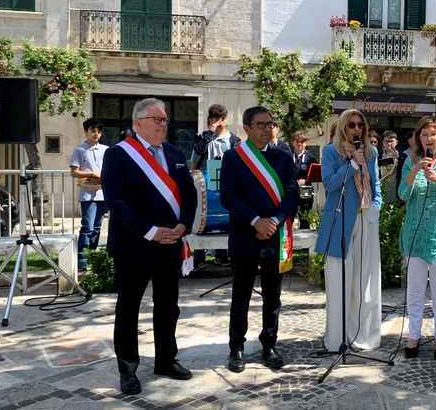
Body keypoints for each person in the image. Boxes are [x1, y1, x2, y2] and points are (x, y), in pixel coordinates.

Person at [101, 98, 198, 396]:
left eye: (166, 120)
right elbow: (116, 200)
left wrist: (184, 224)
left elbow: (188, 192)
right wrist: (151, 231)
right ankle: (128, 369)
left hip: (170, 244)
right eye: (157, 120)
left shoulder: (173, 152)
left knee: (169, 307)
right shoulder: (119, 155)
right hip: (134, 246)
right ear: (138, 123)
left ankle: (166, 360)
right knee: (129, 309)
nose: (164, 124)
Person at [220, 106, 300, 372]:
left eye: (271, 124)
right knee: (241, 294)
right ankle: (236, 348)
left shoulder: (282, 156)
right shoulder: (233, 157)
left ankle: (269, 344)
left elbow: (292, 194)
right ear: (247, 128)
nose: (268, 128)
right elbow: (228, 197)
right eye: (261, 124)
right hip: (245, 234)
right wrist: (257, 221)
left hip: (274, 236)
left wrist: (274, 221)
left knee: (272, 295)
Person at [313, 109, 383, 353]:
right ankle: (337, 339)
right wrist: (353, 164)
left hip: (366, 221)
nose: (357, 129)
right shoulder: (330, 152)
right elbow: (330, 184)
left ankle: (363, 336)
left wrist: (376, 205)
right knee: (339, 282)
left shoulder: (371, 152)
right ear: (343, 126)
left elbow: (376, 184)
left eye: (360, 125)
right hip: (340, 222)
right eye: (352, 125)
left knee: (366, 284)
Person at [398, 116, 436, 361]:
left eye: (433, 134)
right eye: (424, 134)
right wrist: (415, 170)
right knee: (414, 288)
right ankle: (414, 335)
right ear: (418, 137)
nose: (428, 138)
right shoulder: (410, 160)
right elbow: (403, 194)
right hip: (415, 232)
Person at [190, 103, 240, 266]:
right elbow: (197, 153)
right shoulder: (205, 137)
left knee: (223, 216)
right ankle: (198, 255)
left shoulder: (233, 140)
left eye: (221, 119)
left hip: (225, 183)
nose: (219, 122)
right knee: (202, 215)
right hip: (205, 183)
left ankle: (222, 253)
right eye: (215, 119)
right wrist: (210, 132)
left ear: (226, 120)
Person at [69, 117, 109, 272]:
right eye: (93, 131)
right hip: (87, 194)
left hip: (102, 194)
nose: (96, 134)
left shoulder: (105, 150)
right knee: (88, 227)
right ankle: (81, 259)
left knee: (98, 227)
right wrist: (92, 172)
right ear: (86, 132)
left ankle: (92, 256)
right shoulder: (80, 150)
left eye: (98, 131)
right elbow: (74, 172)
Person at [291, 131, 318, 229]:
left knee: (304, 220)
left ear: (306, 143)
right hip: (290, 193)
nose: (300, 144)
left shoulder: (311, 159)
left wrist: (305, 180)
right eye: (297, 141)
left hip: (305, 194)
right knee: (289, 220)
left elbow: (314, 175)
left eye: (302, 141)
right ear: (293, 142)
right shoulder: (288, 157)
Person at [379, 130, 405, 204]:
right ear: (383, 142)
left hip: (396, 192)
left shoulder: (403, 156)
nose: (389, 144)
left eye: (391, 141)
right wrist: (391, 160)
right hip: (382, 191)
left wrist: (399, 159)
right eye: (386, 141)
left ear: (396, 142)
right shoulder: (379, 156)